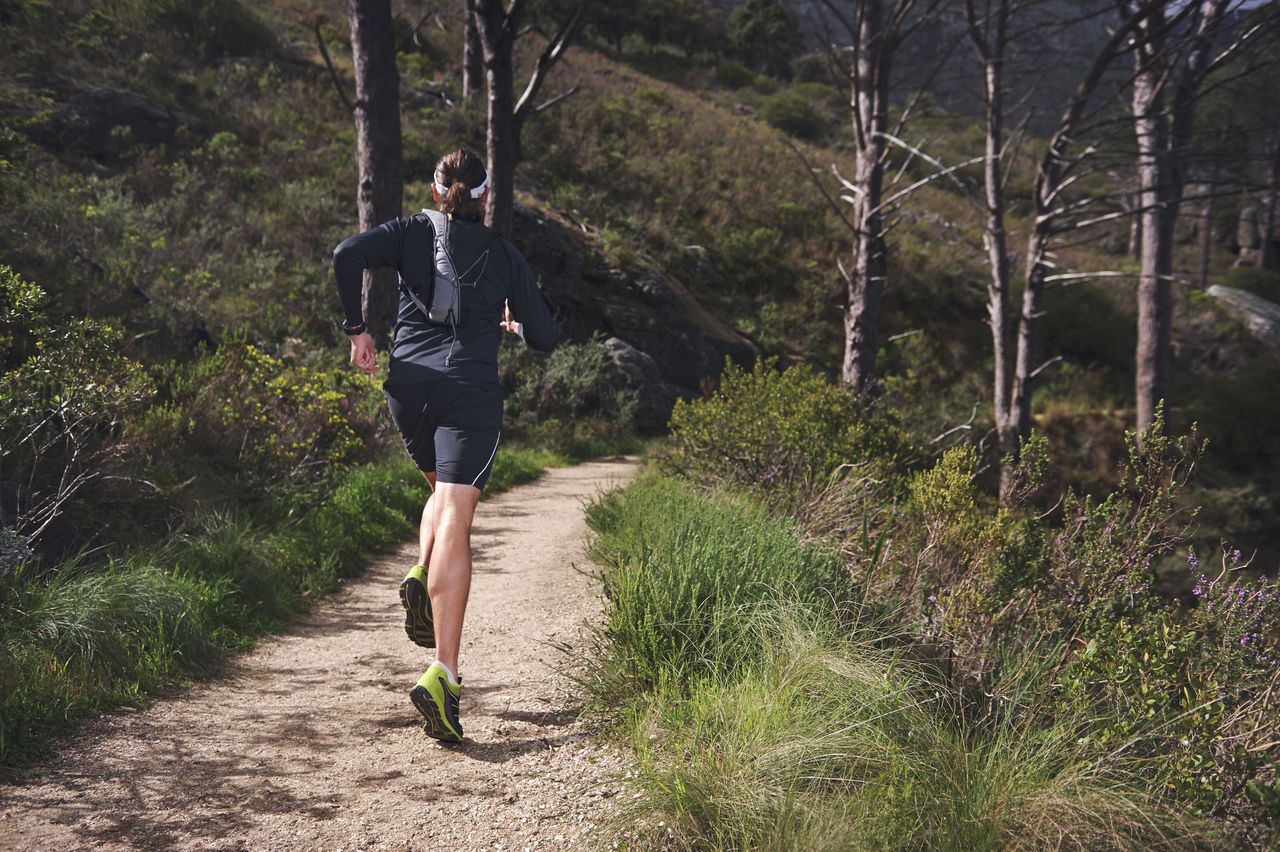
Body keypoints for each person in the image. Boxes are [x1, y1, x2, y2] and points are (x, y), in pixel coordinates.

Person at [332, 148, 558, 742]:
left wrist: (357, 331)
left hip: (409, 388)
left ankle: (422, 570)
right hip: (470, 392)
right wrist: (513, 323)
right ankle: (444, 675)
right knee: (456, 511)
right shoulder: (505, 256)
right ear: (484, 196)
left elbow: (346, 255)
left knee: (439, 491)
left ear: (437, 192)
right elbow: (549, 337)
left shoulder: (411, 230)